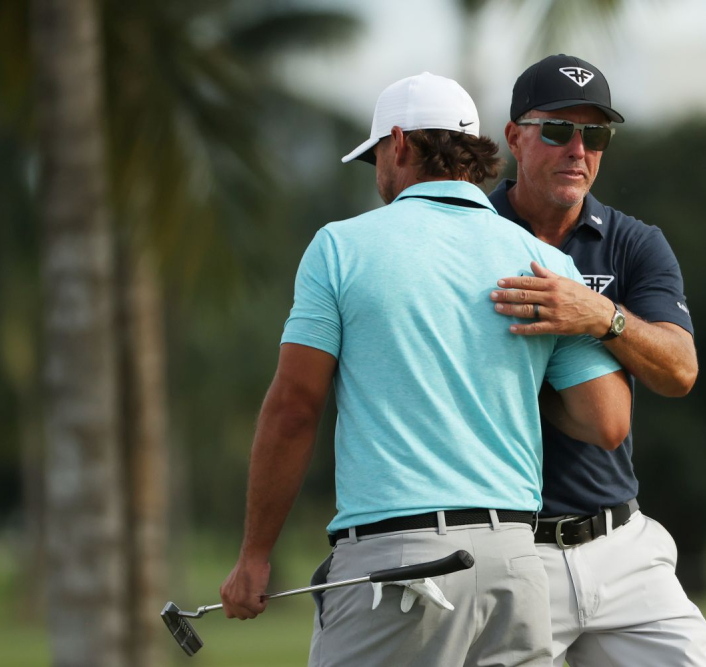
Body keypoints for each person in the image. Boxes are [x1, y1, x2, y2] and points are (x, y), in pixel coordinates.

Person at [218, 72, 631, 667]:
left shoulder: (341, 246)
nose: (379, 172)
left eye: (377, 158)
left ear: (399, 144)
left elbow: (294, 409)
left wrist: (255, 555)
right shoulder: (545, 262)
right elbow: (607, 420)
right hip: (514, 565)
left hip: (399, 565)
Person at [487, 54, 706, 666]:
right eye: (559, 130)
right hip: (509, 545)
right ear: (515, 137)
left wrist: (601, 316)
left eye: (596, 135)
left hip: (619, 539)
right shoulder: (472, 234)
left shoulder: (635, 241)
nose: (578, 151)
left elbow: (679, 370)